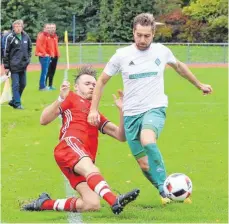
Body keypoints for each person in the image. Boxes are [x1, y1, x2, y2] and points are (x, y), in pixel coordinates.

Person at [87, 13, 213, 205]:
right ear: (133, 32)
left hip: (155, 108)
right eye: (139, 35)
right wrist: (93, 109)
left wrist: (199, 84)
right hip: (131, 114)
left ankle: (167, 186)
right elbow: (102, 81)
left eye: (147, 35)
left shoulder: (161, 51)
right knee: (144, 163)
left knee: (148, 139)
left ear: (153, 34)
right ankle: (163, 191)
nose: (142, 40)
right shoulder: (122, 55)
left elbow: (179, 67)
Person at [22, 65, 140, 214]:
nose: (92, 87)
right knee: (92, 169)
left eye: (94, 85)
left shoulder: (94, 112)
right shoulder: (71, 98)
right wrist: (60, 98)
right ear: (76, 87)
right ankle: (113, 200)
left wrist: (122, 112)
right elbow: (43, 119)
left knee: (92, 204)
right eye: (87, 84)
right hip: (70, 146)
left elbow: (121, 136)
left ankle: (44, 203)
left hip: (80, 157)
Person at [3, 20, 32, 109]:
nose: (18, 28)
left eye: (20, 26)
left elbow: (29, 49)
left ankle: (14, 100)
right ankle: (18, 103)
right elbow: (5, 52)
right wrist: (7, 67)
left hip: (23, 65)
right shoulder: (10, 37)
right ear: (13, 27)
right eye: (16, 26)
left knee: (23, 84)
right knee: (16, 85)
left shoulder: (26, 36)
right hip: (14, 66)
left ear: (22, 27)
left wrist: (28, 59)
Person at [35, 23, 51, 91]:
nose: (49, 29)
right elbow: (39, 45)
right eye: (47, 28)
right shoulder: (41, 35)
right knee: (44, 71)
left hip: (47, 56)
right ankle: (42, 86)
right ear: (44, 28)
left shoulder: (47, 36)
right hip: (43, 56)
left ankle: (43, 85)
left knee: (45, 71)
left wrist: (50, 53)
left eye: (49, 28)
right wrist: (45, 54)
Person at [45, 23, 60, 90]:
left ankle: (50, 85)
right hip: (49, 56)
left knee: (52, 71)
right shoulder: (46, 37)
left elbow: (56, 46)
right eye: (51, 28)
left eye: (54, 28)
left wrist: (57, 54)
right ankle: (44, 86)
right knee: (48, 71)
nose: (52, 29)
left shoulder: (55, 36)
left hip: (55, 56)